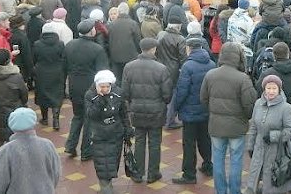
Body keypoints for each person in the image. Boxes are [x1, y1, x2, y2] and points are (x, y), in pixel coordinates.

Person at [200, 42, 257, 194]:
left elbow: (203, 99)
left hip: (216, 126)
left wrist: (214, 111)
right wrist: (245, 117)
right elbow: (249, 105)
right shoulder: (243, 78)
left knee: (217, 160)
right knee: (236, 161)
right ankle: (234, 191)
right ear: (239, 57)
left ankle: (220, 191)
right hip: (237, 127)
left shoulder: (210, 75)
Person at [122, 38, 172, 184]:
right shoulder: (161, 68)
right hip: (156, 112)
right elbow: (167, 95)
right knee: (155, 143)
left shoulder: (129, 67)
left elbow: (125, 92)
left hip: (136, 110)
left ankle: (137, 173)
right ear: (154, 49)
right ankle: (153, 173)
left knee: (139, 141)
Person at [0, 107, 61, 194]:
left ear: (12, 125)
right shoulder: (47, 145)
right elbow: (56, 173)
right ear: (33, 123)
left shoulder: (6, 151)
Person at [64, 19, 109, 161]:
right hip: (90, 88)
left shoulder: (69, 45)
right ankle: (86, 151)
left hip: (73, 86)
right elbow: (102, 72)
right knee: (90, 119)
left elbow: (64, 67)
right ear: (91, 31)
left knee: (77, 116)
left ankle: (70, 146)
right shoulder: (97, 49)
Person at [173, 37, 216, 184]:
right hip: (206, 110)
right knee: (205, 139)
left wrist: (176, 107)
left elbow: (182, 91)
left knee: (189, 143)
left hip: (190, 112)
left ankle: (189, 175)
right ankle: (208, 165)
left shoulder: (187, 66)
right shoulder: (212, 64)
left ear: (189, 48)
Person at [246, 74, 291, 194]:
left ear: (279, 90)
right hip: (259, 148)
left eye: (274, 88)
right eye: (268, 88)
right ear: (264, 89)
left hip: (277, 151)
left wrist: (274, 136)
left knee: (273, 184)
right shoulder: (258, 103)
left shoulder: (286, 108)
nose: (271, 91)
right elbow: (253, 126)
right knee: (253, 180)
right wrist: (250, 145)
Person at [85, 70, 133, 194]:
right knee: (102, 163)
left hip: (116, 134)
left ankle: (107, 187)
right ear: (97, 85)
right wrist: (100, 99)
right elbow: (91, 115)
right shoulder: (90, 95)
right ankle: (106, 189)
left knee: (112, 162)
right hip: (99, 135)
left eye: (107, 86)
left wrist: (128, 129)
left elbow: (123, 113)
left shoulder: (118, 93)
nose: (105, 89)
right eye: (102, 86)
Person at [256, 42, 291, 117]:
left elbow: (259, 91)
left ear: (273, 56)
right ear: (288, 54)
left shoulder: (267, 74)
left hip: (271, 111)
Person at [33, 21, 66, 130]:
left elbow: (34, 59)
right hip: (57, 72)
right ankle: (56, 121)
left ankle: (45, 118)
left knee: (43, 95)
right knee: (57, 95)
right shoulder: (60, 43)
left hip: (41, 72)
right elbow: (64, 58)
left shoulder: (37, 44)